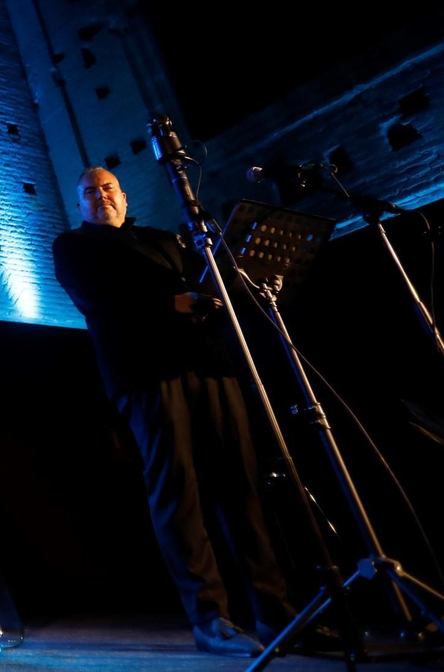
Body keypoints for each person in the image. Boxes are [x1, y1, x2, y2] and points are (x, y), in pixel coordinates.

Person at [52, 167, 298, 657]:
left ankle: (276, 613)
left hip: (209, 365)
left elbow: (208, 290)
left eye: (107, 189)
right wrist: (173, 304)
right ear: (79, 205)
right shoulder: (74, 247)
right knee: (178, 492)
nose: (99, 197)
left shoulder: (166, 239)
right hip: (145, 375)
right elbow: (99, 303)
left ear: (123, 196)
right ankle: (210, 618)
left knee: (244, 487)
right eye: (89, 193)